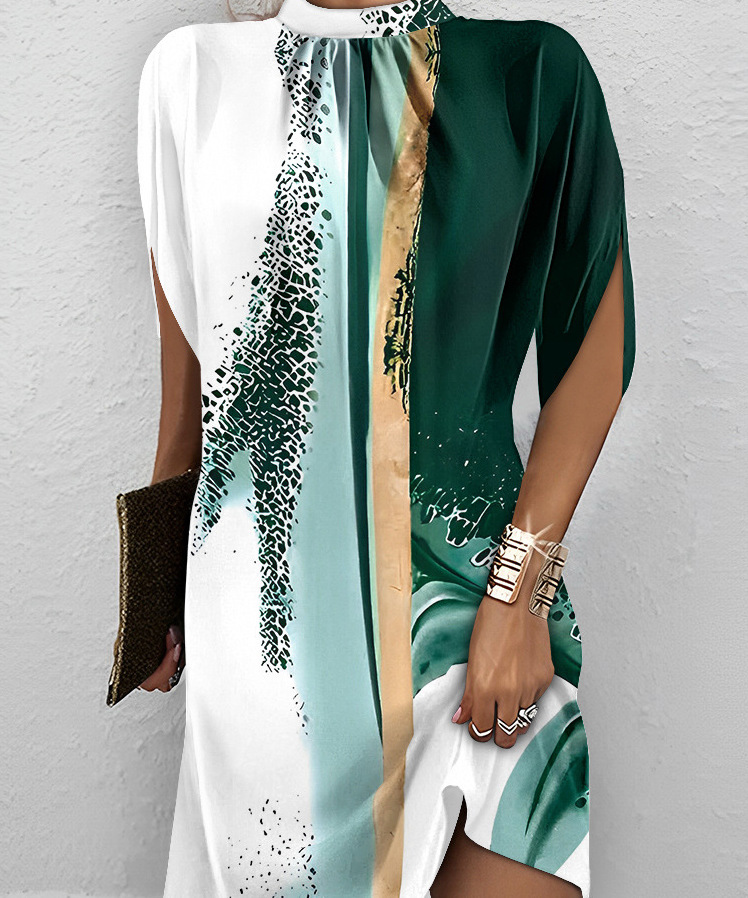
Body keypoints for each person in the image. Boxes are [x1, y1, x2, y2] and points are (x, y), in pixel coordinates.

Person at [136, 0, 636, 895]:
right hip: (269, 670)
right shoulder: (190, 75)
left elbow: (594, 356)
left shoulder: (533, 74)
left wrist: (522, 590)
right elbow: (190, 403)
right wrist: (148, 600)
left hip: (483, 635)